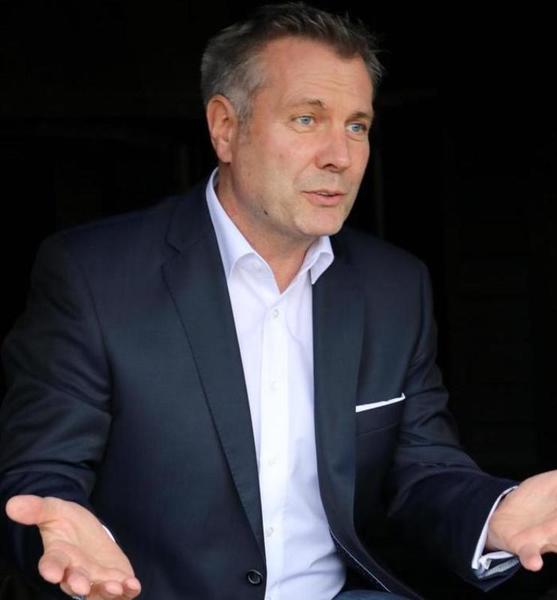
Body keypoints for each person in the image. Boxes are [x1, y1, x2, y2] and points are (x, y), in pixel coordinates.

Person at [1, 3, 556, 600]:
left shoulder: (394, 286)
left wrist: (493, 518)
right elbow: (44, 479)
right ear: (225, 128)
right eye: (306, 119)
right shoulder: (93, 276)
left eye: (357, 126)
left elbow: (424, 470)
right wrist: (67, 546)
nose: (340, 156)